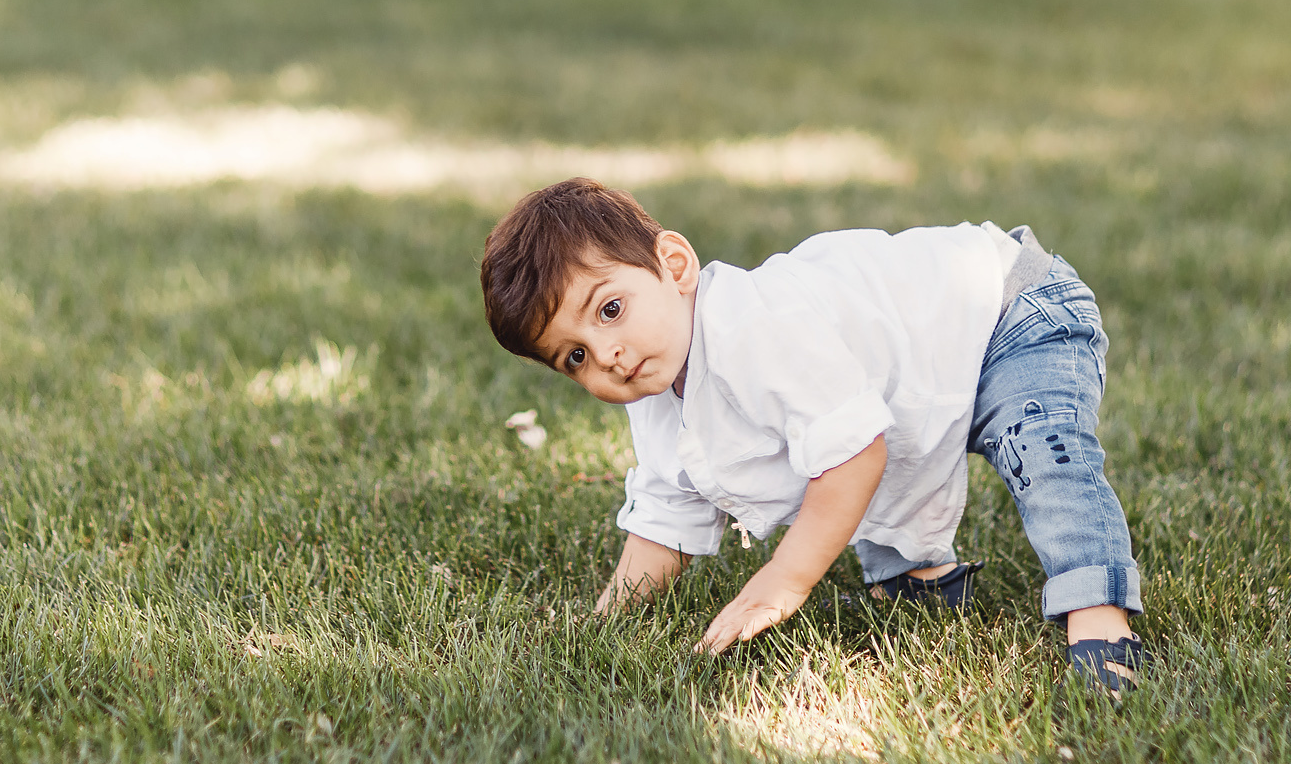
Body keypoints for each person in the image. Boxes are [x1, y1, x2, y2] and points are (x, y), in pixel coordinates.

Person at [479, 177, 1147, 697]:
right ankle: (922, 580)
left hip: (1008, 309)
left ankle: (1098, 609)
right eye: (575, 356)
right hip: (919, 368)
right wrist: (607, 620)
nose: (608, 355)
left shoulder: (753, 329)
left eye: (610, 309)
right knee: (851, 448)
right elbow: (666, 514)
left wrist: (785, 578)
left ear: (674, 266)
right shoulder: (658, 394)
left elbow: (854, 457)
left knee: (1041, 450)